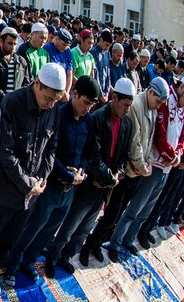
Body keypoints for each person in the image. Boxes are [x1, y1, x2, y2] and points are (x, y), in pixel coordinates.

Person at [0, 63, 64, 300]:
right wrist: (28, 183)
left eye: (54, 100)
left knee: (8, 242)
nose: (50, 103)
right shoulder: (13, 103)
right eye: (47, 98)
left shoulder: (54, 110)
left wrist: (43, 178)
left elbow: (51, 147)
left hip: (33, 193)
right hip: (7, 189)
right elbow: (5, 152)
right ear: (37, 84)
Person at [3, 76, 99, 280]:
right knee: (32, 227)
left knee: (48, 231)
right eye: (86, 103)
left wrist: (80, 173)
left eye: (92, 105)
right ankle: (12, 265)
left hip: (70, 189)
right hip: (52, 185)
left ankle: (28, 262)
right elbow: (50, 151)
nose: (87, 108)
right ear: (74, 94)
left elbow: (88, 152)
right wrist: (66, 174)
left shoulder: (88, 121)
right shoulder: (59, 115)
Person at [46, 77, 133, 272]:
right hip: (90, 184)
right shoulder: (98, 118)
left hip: (105, 186)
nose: (127, 110)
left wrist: (114, 177)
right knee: (70, 224)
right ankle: (53, 257)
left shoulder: (127, 123)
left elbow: (123, 156)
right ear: (115, 98)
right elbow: (93, 154)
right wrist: (106, 178)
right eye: (125, 105)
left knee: (86, 227)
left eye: (130, 106)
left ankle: (67, 256)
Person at [83, 77, 169, 260]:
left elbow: (146, 138)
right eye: (158, 100)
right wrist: (140, 166)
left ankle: (96, 243)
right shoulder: (136, 105)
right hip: (126, 172)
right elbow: (134, 143)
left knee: (115, 214)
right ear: (151, 92)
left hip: (129, 172)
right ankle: (89, 245)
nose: (159, 105)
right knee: (110, 214)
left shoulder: (150, 108)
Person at [110, 73, 184, 255]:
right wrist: (171, 155)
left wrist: (178, 153)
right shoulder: (165, 101)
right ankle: (115, 242)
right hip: (154, 163)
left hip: (167, 167)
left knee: (147, 209)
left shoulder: (181, 108)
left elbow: (183, 135)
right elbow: (159, 135)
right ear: (181, 89)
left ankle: (129, 239)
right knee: (135, 208)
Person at [0, 27, 31, 105]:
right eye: (10, 43)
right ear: (1, 41)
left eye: (15, 44)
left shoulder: (21, 61)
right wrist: (6, 99)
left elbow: (26, 83)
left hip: (16, 105)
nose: (13, 47)